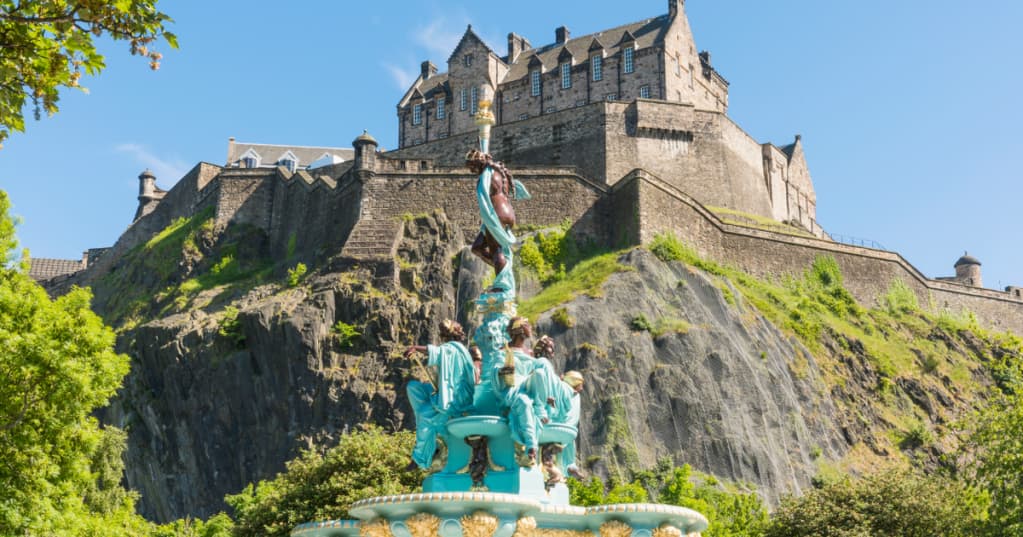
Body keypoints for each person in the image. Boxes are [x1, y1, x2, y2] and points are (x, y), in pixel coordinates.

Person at [404, 320, 475, 470]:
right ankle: (432, 432)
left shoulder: (455, 349)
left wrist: (415, 348)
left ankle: (420, 457)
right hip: (446, 392)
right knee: (414, 388)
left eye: (444, 334)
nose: (442, 337)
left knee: (424, 414)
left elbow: (438, 352)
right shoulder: (452, 349)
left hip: (455, 399)